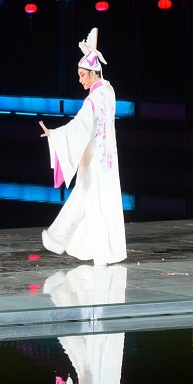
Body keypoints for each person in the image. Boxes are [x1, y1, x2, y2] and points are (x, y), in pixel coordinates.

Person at [39, 28, 126, 265]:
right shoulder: (109, 91)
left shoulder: (92, 100)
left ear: (93, 73)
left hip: (96, 161)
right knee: (97, 203)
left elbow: (79, 126)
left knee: (90, 203)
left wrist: (54, 135)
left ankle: (88, 249)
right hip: (109, 160)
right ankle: (100, 250)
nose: (80, 79)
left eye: (82, 74)